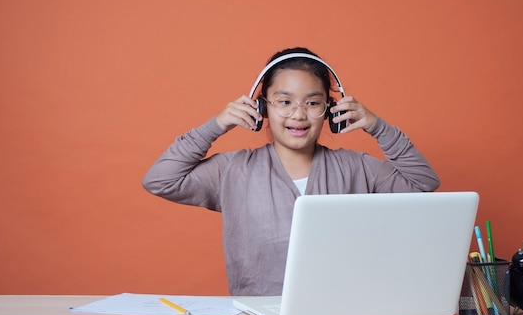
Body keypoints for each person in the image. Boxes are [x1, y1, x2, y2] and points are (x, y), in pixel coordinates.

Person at [142, 47, 440, 296]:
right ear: (261, 108)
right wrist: (215, 125)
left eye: (313, 103)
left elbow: (423, 183)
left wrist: (378, 126)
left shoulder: (356, 167)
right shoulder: (232, 170)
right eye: (284, 102)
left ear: (331, 110)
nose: (298, 114)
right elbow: (160, 179)